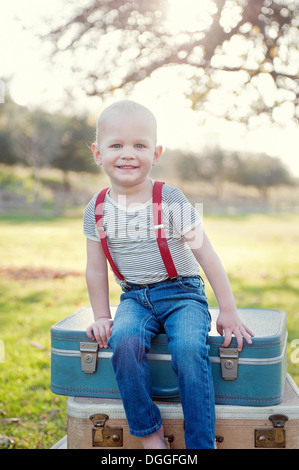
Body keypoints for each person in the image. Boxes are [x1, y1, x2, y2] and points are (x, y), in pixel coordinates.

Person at [83, 100, 253, 449]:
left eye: (140, 145)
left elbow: (207, 255)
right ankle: (149, 434)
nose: (128, 154)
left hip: (183, 294)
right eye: (116, 145)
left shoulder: (172, 199)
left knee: (190, 348)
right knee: (124, 341)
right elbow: (95, 268)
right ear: (98, 153)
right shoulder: (96, 208)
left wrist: (229, 310)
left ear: (156, 153)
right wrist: (102, 315)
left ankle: (200, 442)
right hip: (134, 297)